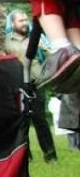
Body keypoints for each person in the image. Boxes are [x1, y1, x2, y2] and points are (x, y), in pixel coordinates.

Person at [4, 9, 58, 162]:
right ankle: (25, 156)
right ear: (12, 23)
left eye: (25, 20)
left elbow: (51, 55)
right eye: (20, 20)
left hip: (36, 85)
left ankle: (50, 155)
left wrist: (48, 75)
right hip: (15, 86)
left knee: (40, 120)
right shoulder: (5, 41)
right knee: (21, 122)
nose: (24, 23)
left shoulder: (37, 38)